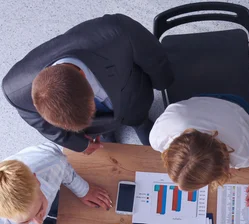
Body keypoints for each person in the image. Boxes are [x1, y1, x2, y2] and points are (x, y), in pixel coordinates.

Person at [2, 14, 174, 155]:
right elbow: (45, 126)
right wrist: (81, 144)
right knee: (106, 139)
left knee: (138, 116)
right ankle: (106, 132)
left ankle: (140, 122)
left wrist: (164, 84)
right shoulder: (16, 92)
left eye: (93, 110)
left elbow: (154, 56)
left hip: (131, 94)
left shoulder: (118, 32)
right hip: (98, 128)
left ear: (83, 75)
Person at [0, 143, 111, 224]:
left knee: (57, 205)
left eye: (40, 208)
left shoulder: (50, 160)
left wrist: (83, 190)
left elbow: (63, 167)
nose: (39, 221)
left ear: (36, 181)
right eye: (25, 221)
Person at [149, 96, 249, 191]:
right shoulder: (160, 134)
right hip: (199, 105)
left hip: (236, 107)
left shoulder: (243, 154)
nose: (179, 188)